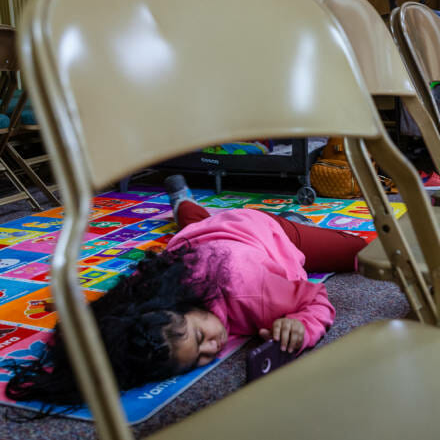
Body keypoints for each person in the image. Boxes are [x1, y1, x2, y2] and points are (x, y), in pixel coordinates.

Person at [5, 175, 366, 410]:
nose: (214, 346)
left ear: (188, 309)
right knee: (194, 218)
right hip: (198, 236)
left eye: (201, 336)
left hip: (266, 230)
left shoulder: (250, 291)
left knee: (364, 253)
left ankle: (295, 218)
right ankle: (181, 197)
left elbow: (314, 298)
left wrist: (304, 324)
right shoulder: (152, 296)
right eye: (200, 356)